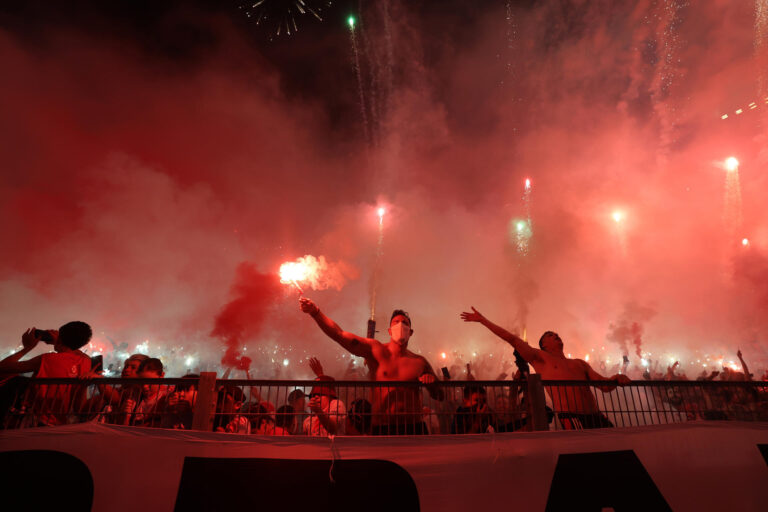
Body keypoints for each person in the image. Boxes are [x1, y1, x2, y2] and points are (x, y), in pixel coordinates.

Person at [460, 307, 630, 429]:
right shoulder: (541, 359)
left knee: (616, 449)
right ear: (544, 345)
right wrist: (483, 321)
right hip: (573, 418)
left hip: (596, 415)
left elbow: (603, 385)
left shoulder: (580, 363)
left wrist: (616, 378)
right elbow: (512, 339)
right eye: (551, 336)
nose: (556, 336)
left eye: (556, 335)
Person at [300, 298, 444, 435]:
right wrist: (315, 312)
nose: (400, 325)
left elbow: (440, 395)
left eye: (405, 323)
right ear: (389, 330)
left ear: (411, 332)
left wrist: (431, 382)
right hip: (382, 427)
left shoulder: (420, 361)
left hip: (414, 427)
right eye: (396, 322)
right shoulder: (376, 351)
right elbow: (340, 335)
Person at [0, 323, 93, 426]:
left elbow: (3, 367)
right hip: (61, 422)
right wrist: (61, 342)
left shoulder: (46, 359)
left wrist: (27, 348)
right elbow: (76, 352)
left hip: (36, 420)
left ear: (60, 339)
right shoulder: (86, 361)